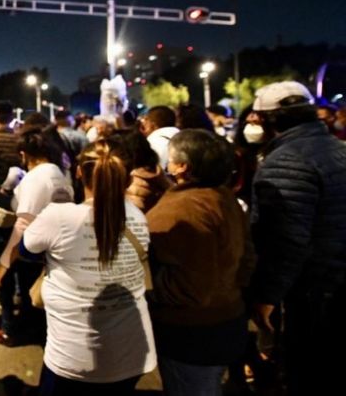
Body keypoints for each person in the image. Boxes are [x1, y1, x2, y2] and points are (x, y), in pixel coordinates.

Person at [21, 139, 157, 395]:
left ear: (80, 172)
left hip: (73, 359)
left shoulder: (58, 217)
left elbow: (26, 250)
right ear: (127, 180)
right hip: (133, 354)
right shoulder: (139, 216)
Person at [247, 81, 346, 395]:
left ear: (269, 120)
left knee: (308, 371)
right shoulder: (339, 149)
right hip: (334, 281)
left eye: (256, 117)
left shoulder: (284, 162)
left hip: (314, 292)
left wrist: (265, 297)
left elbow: (287, 242)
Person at [146, 130, 256, 395]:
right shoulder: (222, 197)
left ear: (183, 166)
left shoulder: (183, 210)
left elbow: (192, 287)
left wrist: (146, 288)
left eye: (170, 158)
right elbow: (247, 259)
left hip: (191, 334)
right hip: (228, 318)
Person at [0, 127, 72, 346]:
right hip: (53, 248)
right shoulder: (59, 173)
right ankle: (30, 332)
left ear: (25, 154)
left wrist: (4, 262)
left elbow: (24, 223)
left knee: (30, 296)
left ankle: (27, 335)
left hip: (34, 251)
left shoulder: (37, 178)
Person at [140, 105, 179, 170]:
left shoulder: (152, 143)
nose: (143, 123)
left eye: (146, 119)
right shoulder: (183, 139)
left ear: (152, 124)